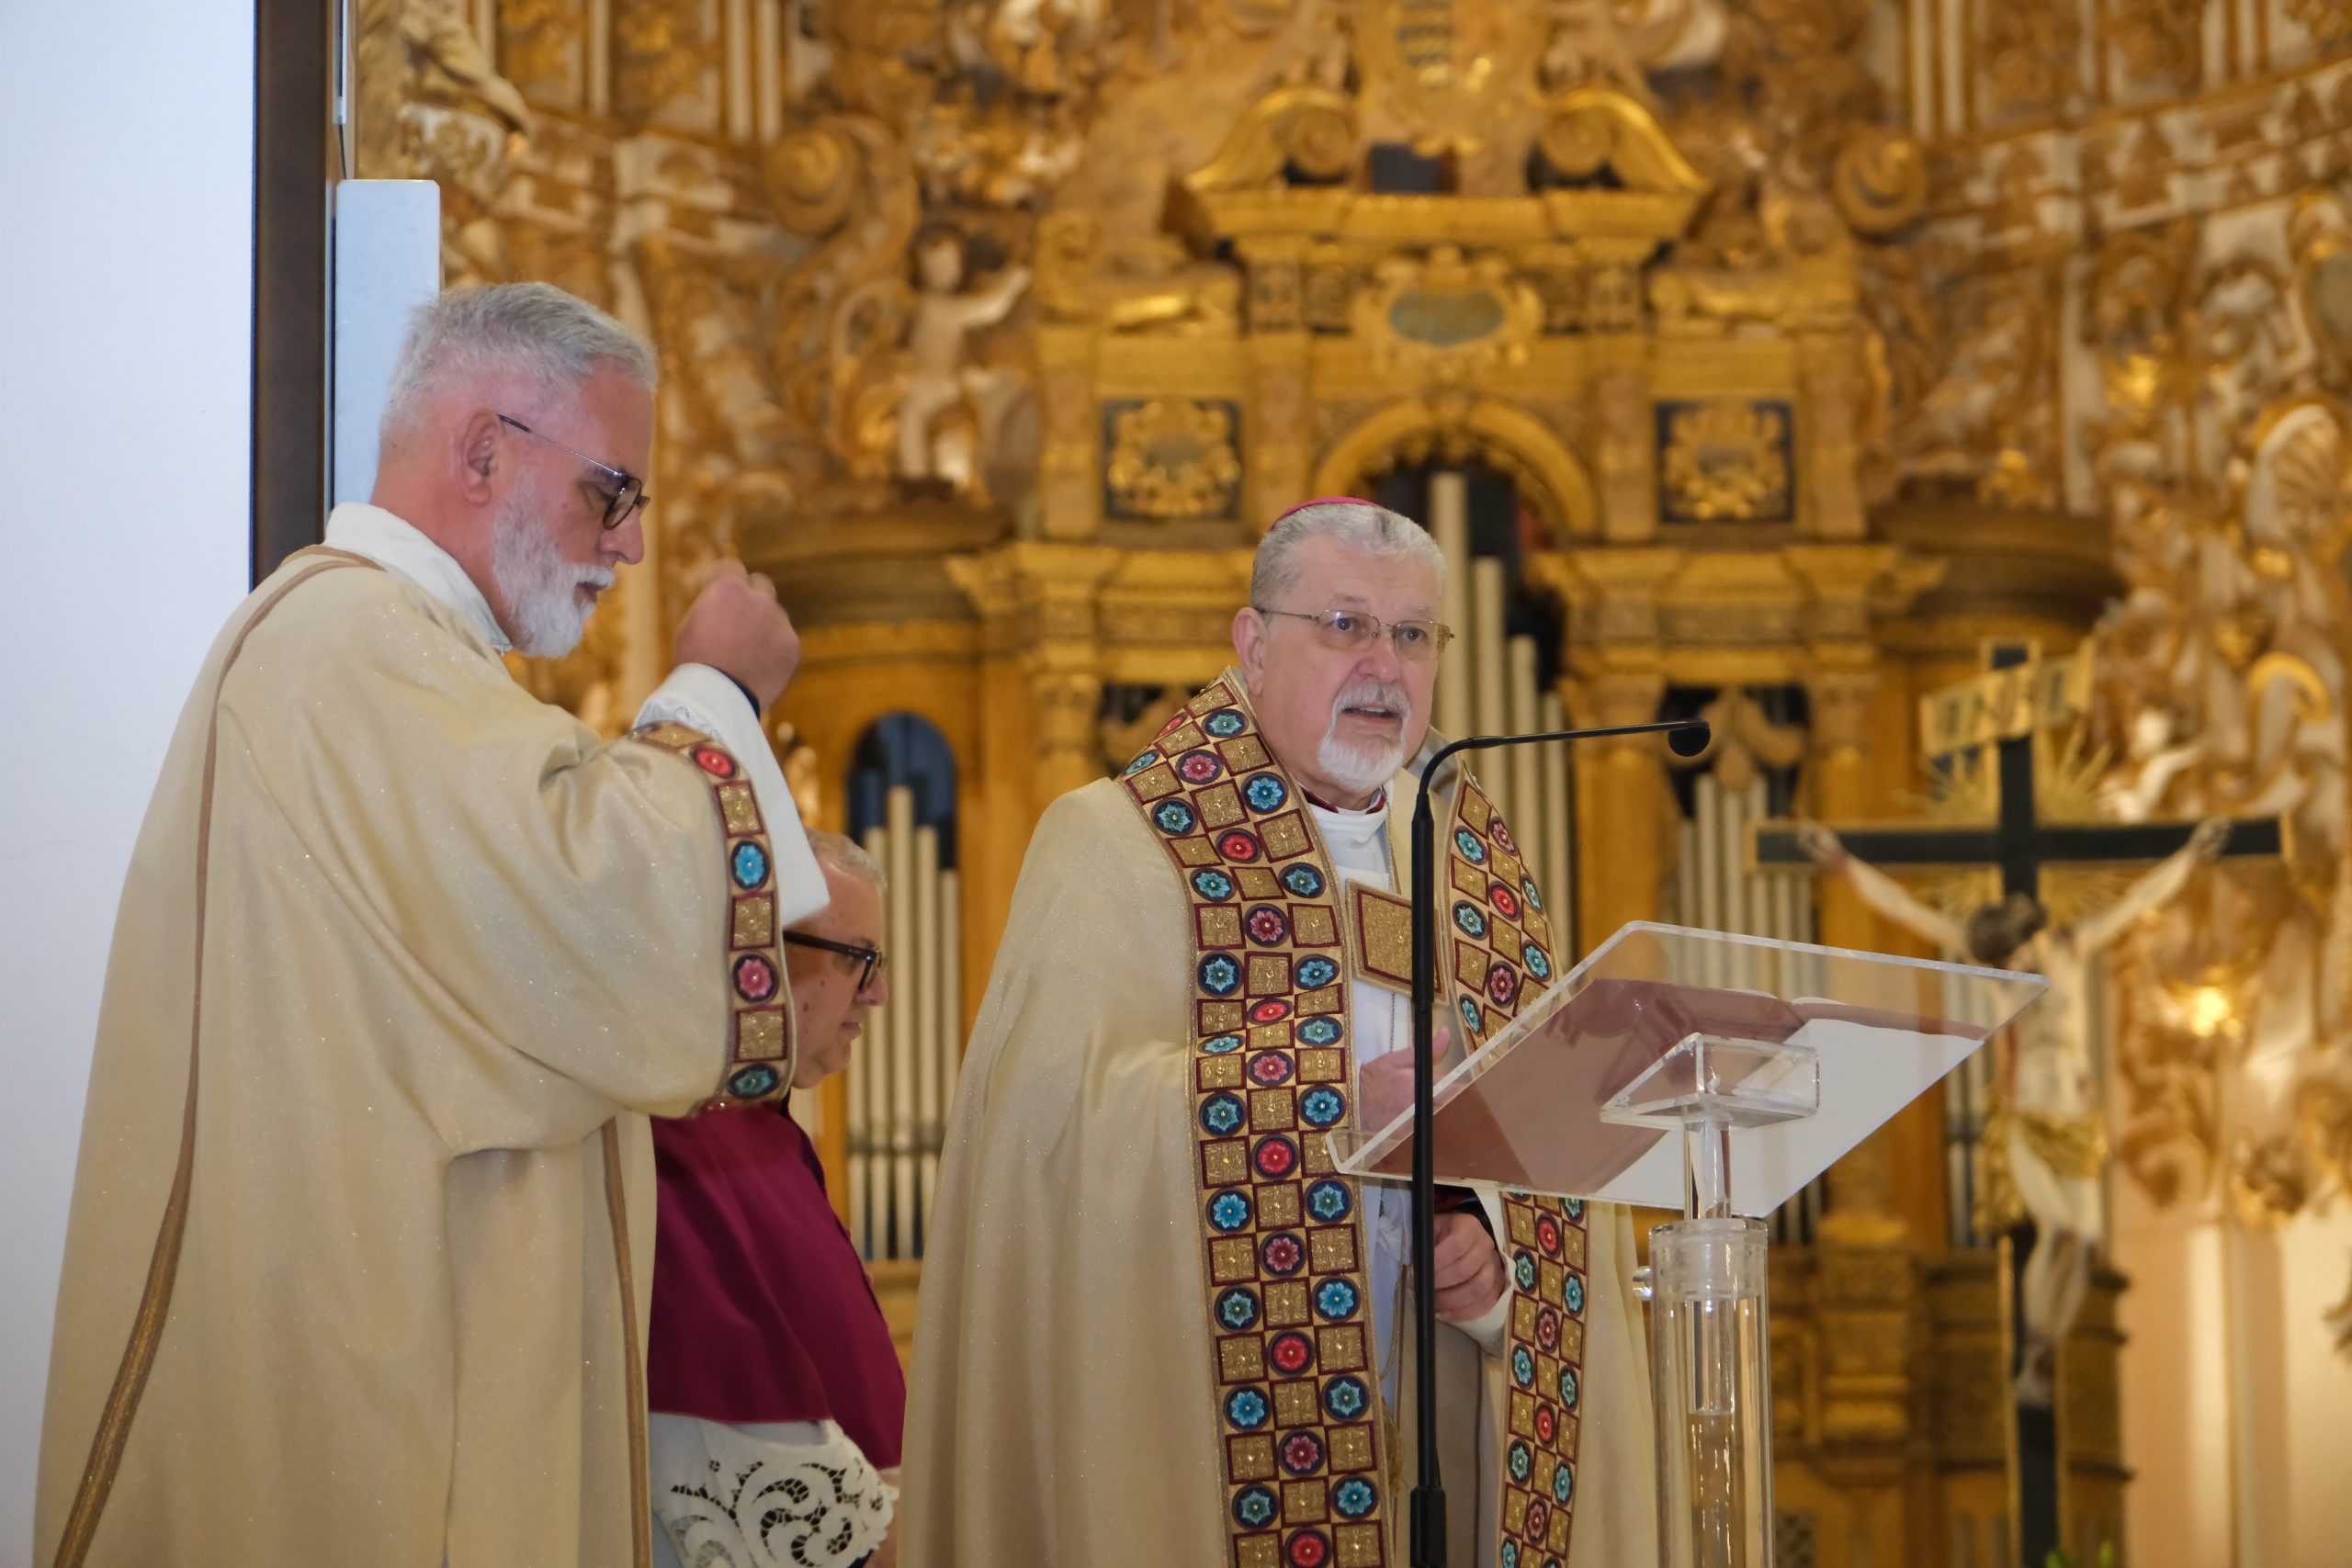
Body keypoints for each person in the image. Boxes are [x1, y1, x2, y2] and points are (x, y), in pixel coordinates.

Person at [36, 282, 828, 1568]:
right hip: (368, 1390)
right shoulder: (348, 642)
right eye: (612, 493)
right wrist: (718, 692)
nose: (629, 543)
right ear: (481, 450)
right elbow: (595, 904)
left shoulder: (395, 656)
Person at [900, 500, 1657, 1568]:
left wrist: (1493, 1263)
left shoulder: (1469, 864)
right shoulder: (1117, 842)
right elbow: (1049, 1136)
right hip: (1204, 1449)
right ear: (1252, 645)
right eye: (1345, 625)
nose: (1383, 667)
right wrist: (1329, 1099)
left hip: (1440, 1435)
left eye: (1412, 634)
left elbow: (1555, 1146)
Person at [1798, 813, 2230, 1404]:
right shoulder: (1992, 968)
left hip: (2077, 1120)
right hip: (2026, 1118)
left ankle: (2047, 1346)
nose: (2006, 971)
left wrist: (2191, 857)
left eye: (2011, 958)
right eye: (1998, 964)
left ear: (2028, 939)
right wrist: (1846, 867)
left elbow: (2139, 900)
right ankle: (2034, 1350)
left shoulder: (2073, 948)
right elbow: (1907, 910)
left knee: (2086, 1240)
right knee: (2060, 1231)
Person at [647, 830, 905, 1568]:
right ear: (759, 947)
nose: (878, 993)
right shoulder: (681, 1139)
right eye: (858, 958)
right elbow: (726, 1399)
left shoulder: (761, 1129)